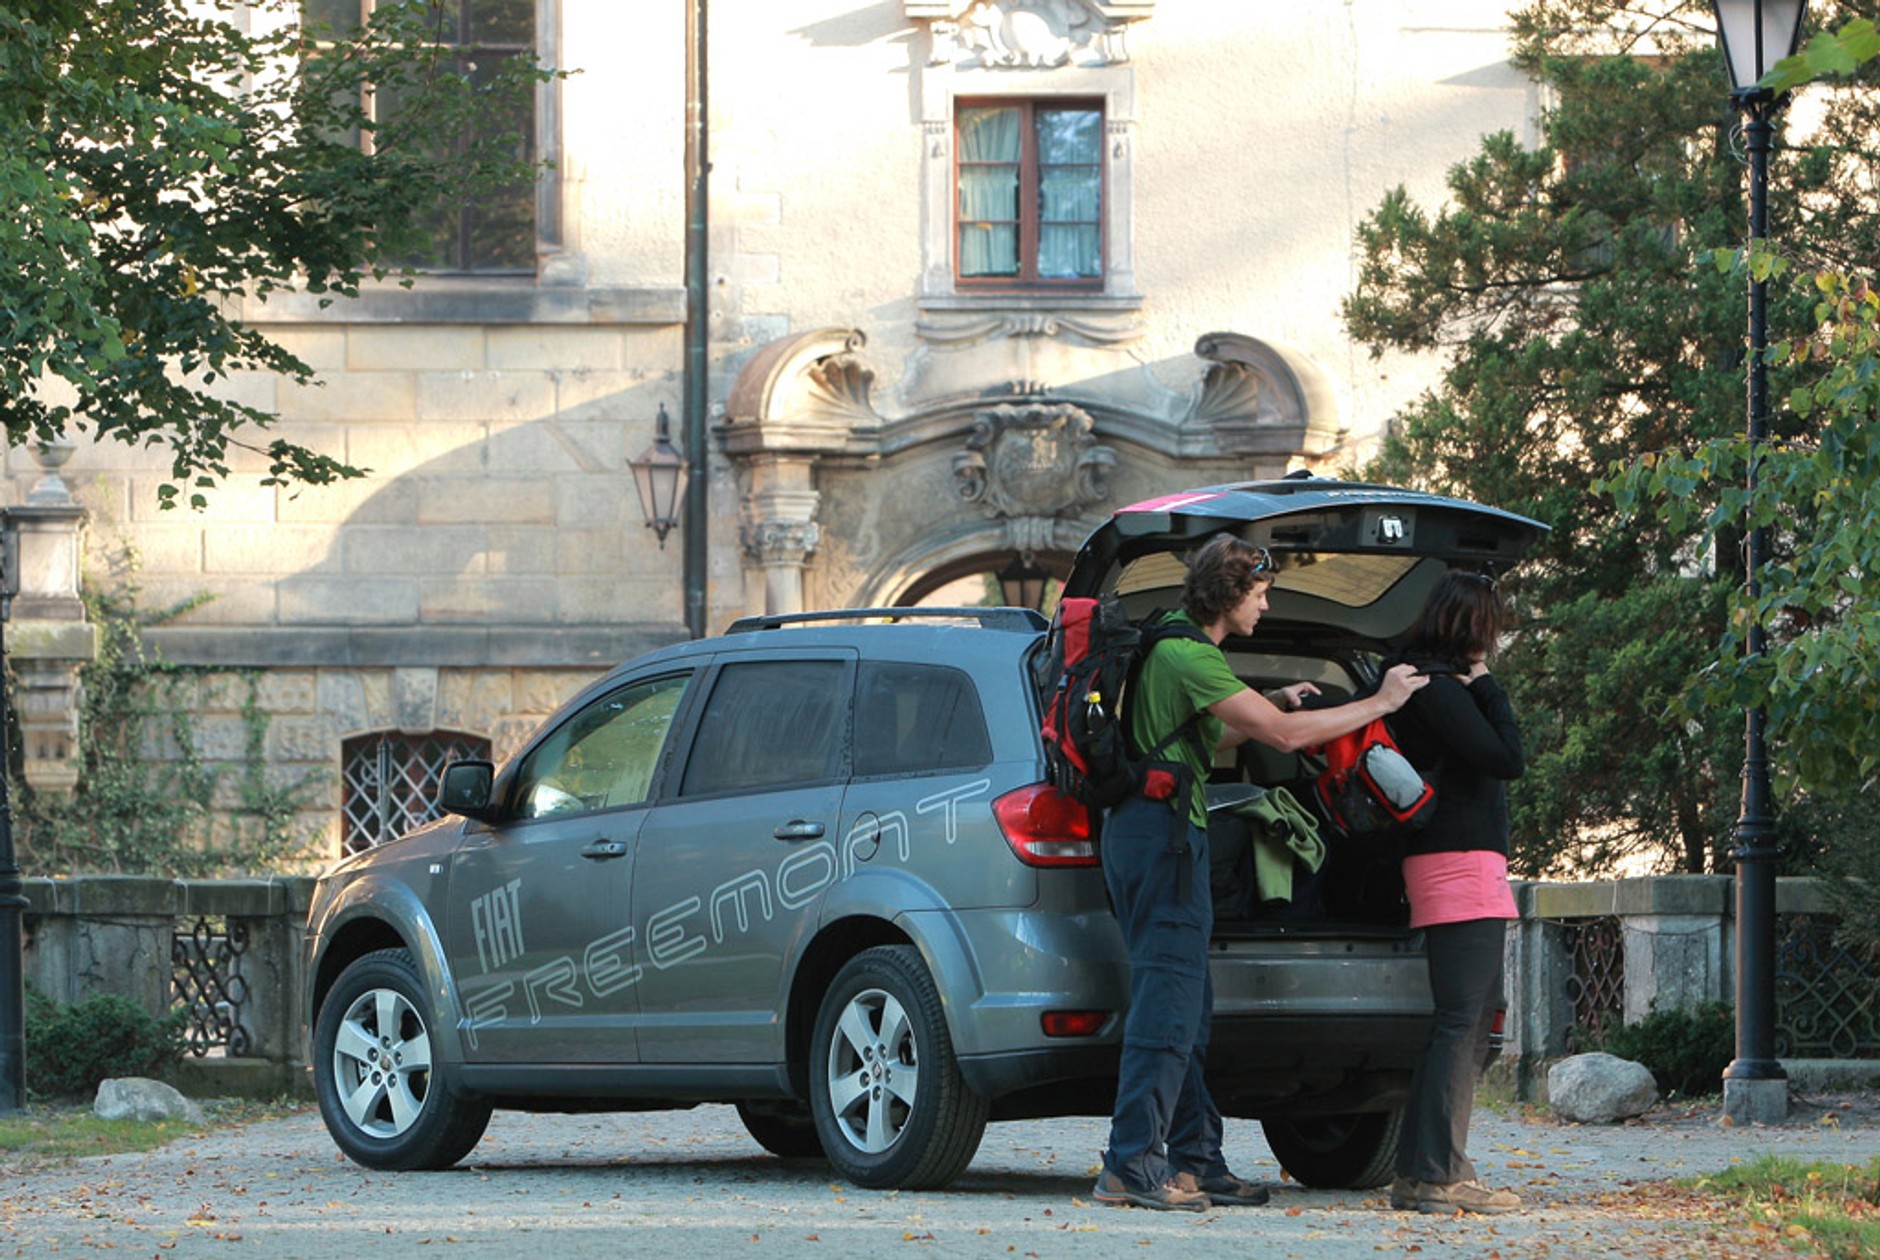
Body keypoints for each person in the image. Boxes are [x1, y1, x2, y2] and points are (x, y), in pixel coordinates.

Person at [1093, 533, 1430, 1212]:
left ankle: (1196, 1160)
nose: (1266, 605)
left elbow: (1218, 732)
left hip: (1155, 834)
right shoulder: (1188, 652)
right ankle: (1130, 1165)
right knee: (1167, 1007)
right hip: (1160, 839)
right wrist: (1381, 703)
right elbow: (1284, 737)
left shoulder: (1179, 645)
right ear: (1229, 593)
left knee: (1190, 1010)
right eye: (1261, 592)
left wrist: (1273, 698)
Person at [1383, 570, 1526, 1216]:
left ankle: (1418, 1173)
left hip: (1457, 862)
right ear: (1473, 625)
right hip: (1458, 863)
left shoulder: (1419, 682)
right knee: (1463, 1022)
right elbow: (1507, 757)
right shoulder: (1438, 689)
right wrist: (1488, 685)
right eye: (1490, 625)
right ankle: (1441, 1175)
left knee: (1467, 1019)